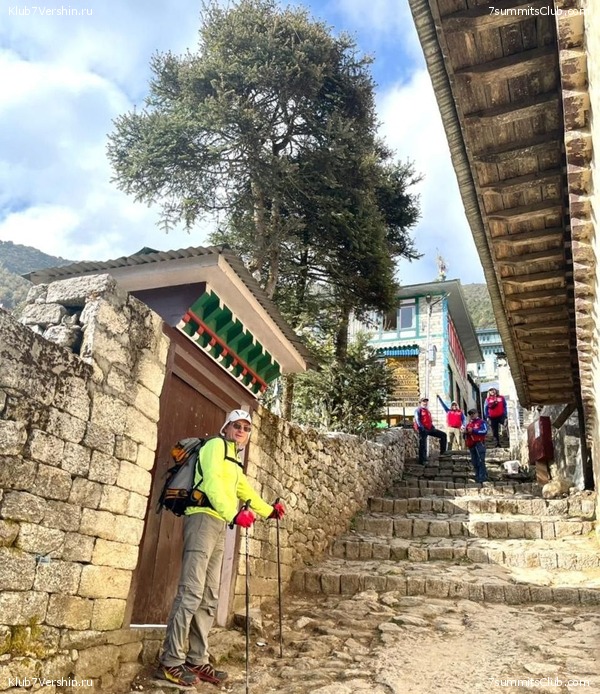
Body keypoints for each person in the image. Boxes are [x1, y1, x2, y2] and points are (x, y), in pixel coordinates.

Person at [158, 409, 285, 687]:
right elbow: (213, 482)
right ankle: (170, 661)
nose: (241, 431)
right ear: (226, 427)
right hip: (202, 520)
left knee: (209, 595)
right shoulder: (215, 446)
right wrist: (234, 515)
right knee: (191, 591)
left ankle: (196, 658)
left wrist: (269, 511)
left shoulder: (234, 458)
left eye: (246, 428)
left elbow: (244, 490)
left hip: (218, 523)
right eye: (237, 425)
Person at [413, 396, 448, 465]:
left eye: (426, 401)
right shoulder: (418, 410)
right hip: (423, 429)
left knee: (443, 435)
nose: (425, 403)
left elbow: (429, 420)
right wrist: (422, 428)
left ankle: (443, 452)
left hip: (430, 428)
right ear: (420, 402)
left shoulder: (427, 411)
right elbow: (417, 420)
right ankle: (422, 460)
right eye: (424, 401)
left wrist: (432, 426)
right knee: (423, 444)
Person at [464, 408, 489, 483]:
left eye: (473, 413)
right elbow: (465, 436)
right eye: (470, 414)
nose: (472, 415)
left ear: (477, 414)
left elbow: (484, 431)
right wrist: (465, 433)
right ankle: (477, 477)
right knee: (474, 462)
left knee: (480, 460)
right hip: (471, 445)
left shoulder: (481, 422)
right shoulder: (469, 424)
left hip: (479, 443)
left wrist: (474, 431)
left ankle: (482, 478)